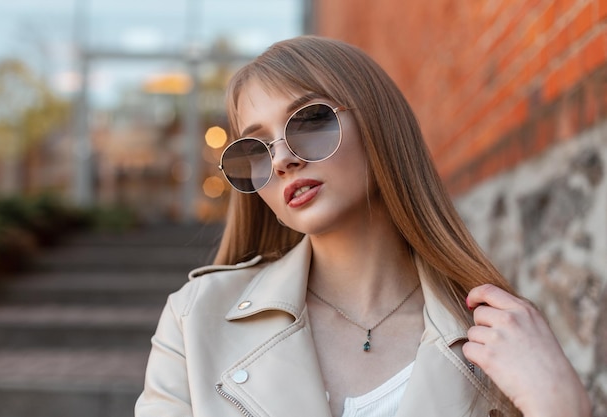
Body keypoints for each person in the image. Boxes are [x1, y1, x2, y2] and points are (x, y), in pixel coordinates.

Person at [135, 36, 591, 417]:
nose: (283, 160)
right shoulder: (195, 321)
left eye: (310, 121)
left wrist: (561, 406)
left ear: (378, 124)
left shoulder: (496, 336)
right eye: (254, 150)